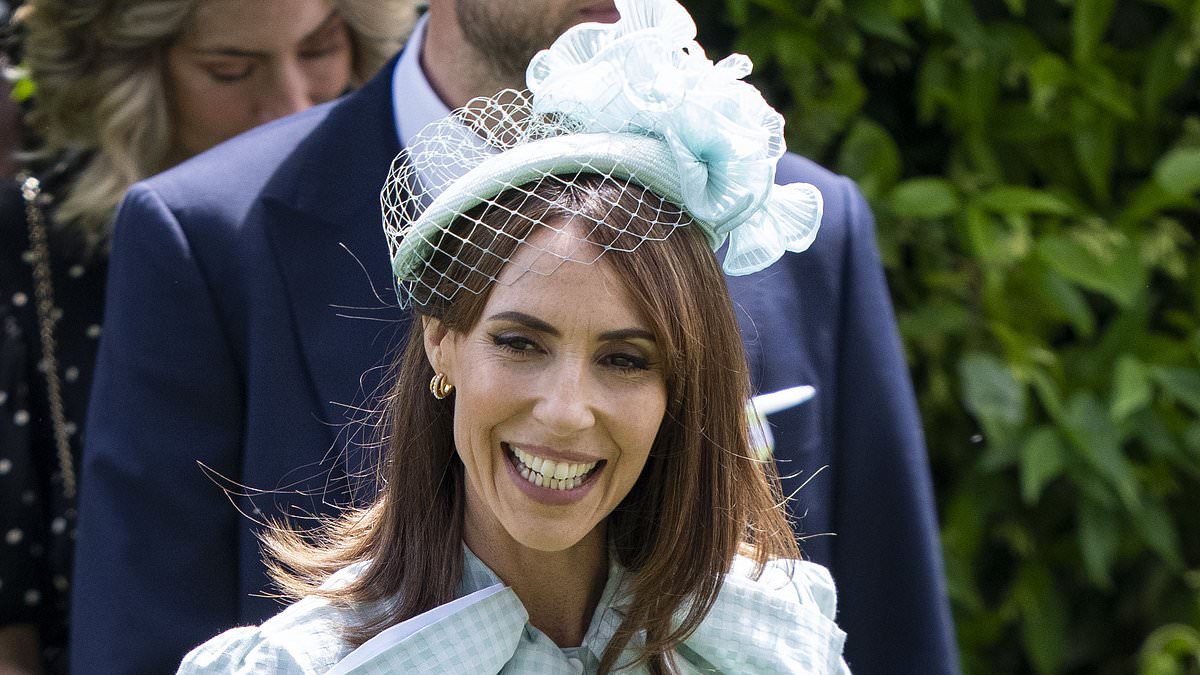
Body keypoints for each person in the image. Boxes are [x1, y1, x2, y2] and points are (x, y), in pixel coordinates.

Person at [73, 0, 957, 673]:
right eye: (521, 342)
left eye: (627, 357)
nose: (567, 411)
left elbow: (894, 616)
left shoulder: (801, 221)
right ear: (441, 341)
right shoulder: (202, 234)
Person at [0, 0, 413, 671]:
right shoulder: (28, 252)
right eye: (230, 70)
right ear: (124, 71)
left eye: (318, 50)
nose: (288, 100)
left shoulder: (395, 220)